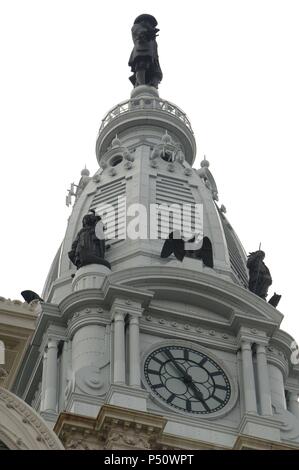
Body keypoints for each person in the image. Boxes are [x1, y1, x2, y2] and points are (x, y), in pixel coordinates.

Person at [128, 14, 163, 88]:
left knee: (157, 73)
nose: (152, 25)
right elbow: (141, 34)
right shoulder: (137, 27)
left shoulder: (153, 39)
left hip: (152, 56)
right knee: (141, 66)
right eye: (150, 23)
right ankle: (141, 85)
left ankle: (152, 85)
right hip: (141, 50)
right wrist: (149, 33)